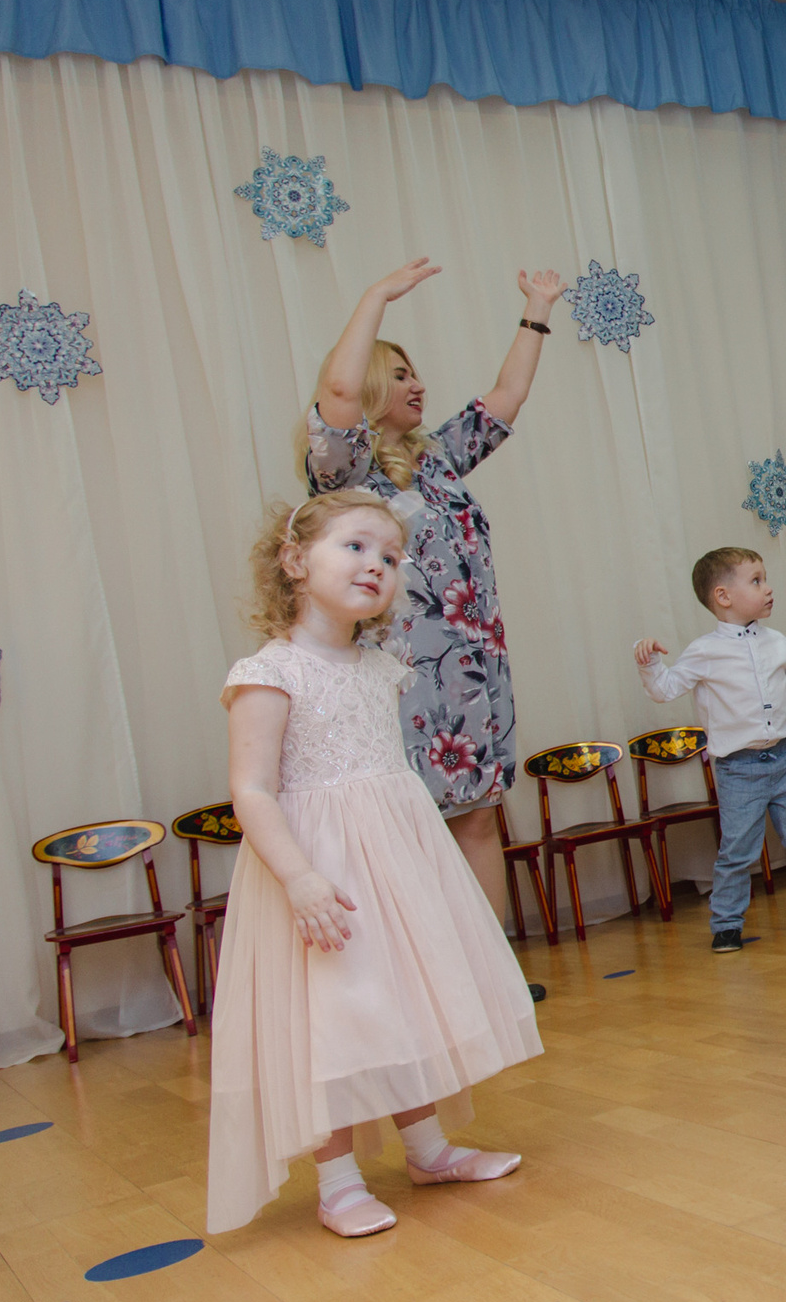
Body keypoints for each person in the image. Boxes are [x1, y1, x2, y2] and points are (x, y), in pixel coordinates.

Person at [208, 491, 542, 1238]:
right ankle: (336, 1179)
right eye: (355, 547)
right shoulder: (269, 670)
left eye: (390, 557)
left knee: (397, 1004)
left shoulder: (380, 667)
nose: (377, 565)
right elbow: (251, 789)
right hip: (319, 870)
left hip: (390, 862)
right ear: (295, 562)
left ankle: (426, 1149)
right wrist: (299, 877)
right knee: (337, 1018)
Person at [304, 258, 564, 933]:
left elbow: (508, 395)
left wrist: (538, 308)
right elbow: (335, 386)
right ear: (368, 389)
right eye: (398, 375)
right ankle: (431, 982)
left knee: (478, 815)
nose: (418, 384)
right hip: (400, 678)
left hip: (474, 673)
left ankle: (490, 969)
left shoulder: (438, 458)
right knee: (408, 824)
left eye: (416, 372)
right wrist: (376, 296)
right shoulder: (345, 470)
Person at [635, 549, 786, 952]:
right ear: (723, 596)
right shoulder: (704, 651)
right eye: (756, 581)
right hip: (739, 768)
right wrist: (649, 664)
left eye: (765, 579)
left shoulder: (777, 642)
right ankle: (727, 924)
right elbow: (665, 690)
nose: (768, 589)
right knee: (737, 850)